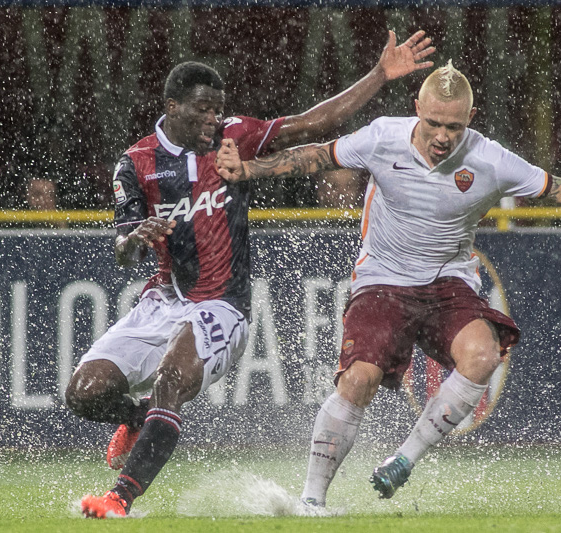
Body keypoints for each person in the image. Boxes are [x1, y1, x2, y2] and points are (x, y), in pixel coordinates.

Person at [216, 60, 561, 508]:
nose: (443, 136)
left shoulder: (490, 158)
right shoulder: (383, 137)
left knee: (483, 357)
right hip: (382, 278)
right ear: (417, 110)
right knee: (359, 378)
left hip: (447, 280)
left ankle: (404, 459)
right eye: (435, 123)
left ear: (471, 119)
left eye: (455, 127)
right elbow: (317, 156)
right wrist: (249, 169)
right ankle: (312, 501)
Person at [66, 30, 435, 519]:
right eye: (201, 110)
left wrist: (379, 74)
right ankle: (136, 420)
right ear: (171, 107)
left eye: (218, 109)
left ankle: (120, 498)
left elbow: (312, 124)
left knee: (171, 379)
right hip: (162, 301)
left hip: (223, 305)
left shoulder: (235, 136)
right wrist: (135, 238)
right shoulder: (135, 164)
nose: (213, 120)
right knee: (84, 393)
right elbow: (122, 250)